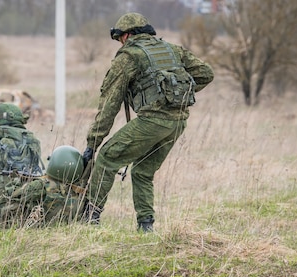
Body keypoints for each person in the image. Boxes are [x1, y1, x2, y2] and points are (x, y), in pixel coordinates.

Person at [80, 12, 214, 231]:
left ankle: (89, 219)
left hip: (152, 122)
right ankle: (146, 226)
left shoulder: (129, 57)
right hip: (177, 123)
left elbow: (109, 103)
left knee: (107, 157)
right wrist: (177, 94)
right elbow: (206, 74)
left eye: (120, 37)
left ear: (127, 35)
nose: (120, 42)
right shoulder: (172, 49)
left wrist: (92, 143)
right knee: (142, 172)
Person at [0, 145, 86, 228]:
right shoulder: (77, 194)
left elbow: (11, 195)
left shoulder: (41, 185)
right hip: (39, 225)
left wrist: (16, 181)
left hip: (8, 222)